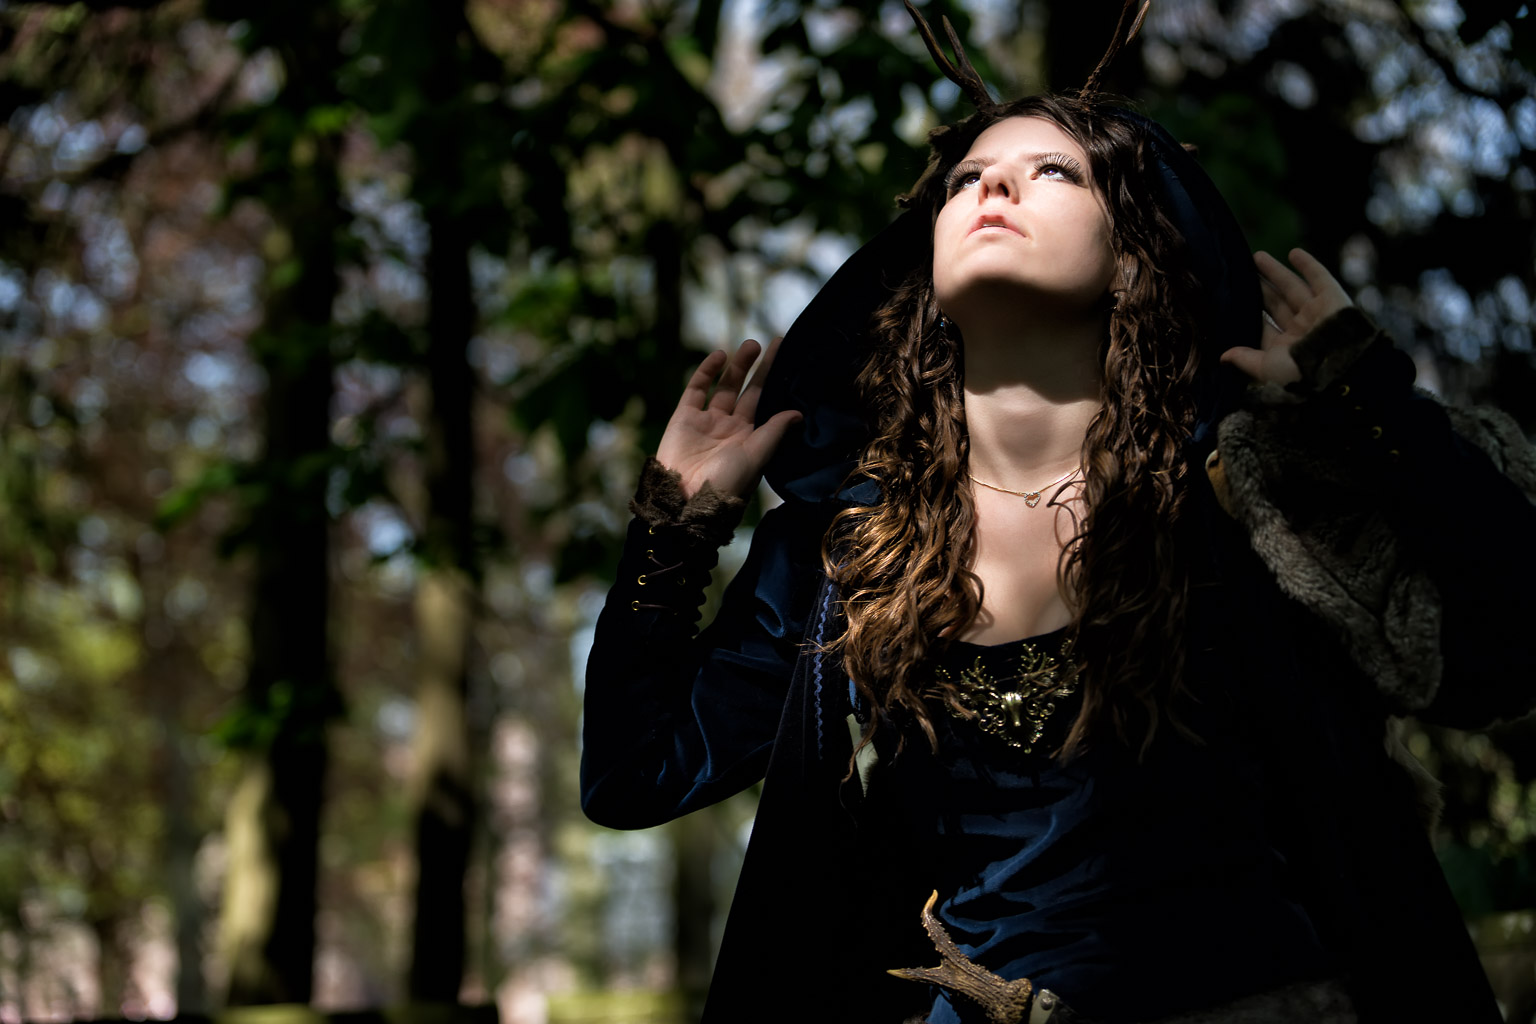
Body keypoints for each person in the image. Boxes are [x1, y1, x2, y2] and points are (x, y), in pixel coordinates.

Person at [580, 9, 1536, 1024]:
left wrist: (1371, 407)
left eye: (1053, 173)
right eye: (964, 180)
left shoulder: (1244, 494)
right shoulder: (847, 557)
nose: (991, 188)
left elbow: (1508, 645)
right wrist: (675, 527)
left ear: (1132, 256)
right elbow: (636, 774)